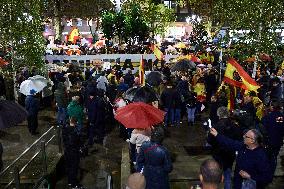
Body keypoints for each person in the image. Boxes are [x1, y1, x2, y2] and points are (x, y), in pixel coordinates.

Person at [207, 106, 242, 189]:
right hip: (229, 155)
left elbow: (210, 140)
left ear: (218, 114)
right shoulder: (235, 126)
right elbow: (238, 140)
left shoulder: (216, 126)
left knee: (215, 176)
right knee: (227, 175)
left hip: (218, 154)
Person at [261, 101, 284, 175]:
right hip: (278, 141)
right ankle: (271, 172)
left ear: (272, 107)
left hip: (269, 141)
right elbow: (280, 127)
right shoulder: (280, 116)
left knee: (268, 157)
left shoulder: (268, 116)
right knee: (274, 157)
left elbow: (263, 126)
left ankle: (267, 173)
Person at [62, 117, 82, 189]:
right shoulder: (75, 132)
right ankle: (74, 184)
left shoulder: (65, 129)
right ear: (75, 123)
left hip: (67, 151)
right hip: (73, 152)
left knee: (69, 167)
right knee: (74, 168)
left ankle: (70, 181)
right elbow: (74, 142)